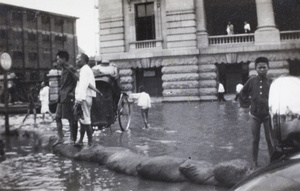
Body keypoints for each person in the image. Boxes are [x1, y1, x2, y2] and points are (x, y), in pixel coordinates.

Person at [239, 57, 273, 168]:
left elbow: (277, 96)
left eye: (264, 67)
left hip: (268, 116)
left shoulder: (271, 82)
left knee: (270, 139)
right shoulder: (252, 81)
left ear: (268, 68)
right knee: (255, 139)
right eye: (259, 67)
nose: (262, 69)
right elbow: (242, 93)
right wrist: (248, 104)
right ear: (256, 69)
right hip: (255, 116)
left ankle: (273, 161)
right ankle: (254, 162)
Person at [54, 50, 78, 146]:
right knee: (57, 117)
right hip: (61, 97)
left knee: (70, 118)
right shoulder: (63, 69)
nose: (57, 62)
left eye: (58, 59)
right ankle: (60, 138)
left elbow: (78, 79)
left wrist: (72, 92)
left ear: (64, 59)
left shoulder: (70, 68)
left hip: (67, 97)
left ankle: (73, 138)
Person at [74, 53, 96, 146]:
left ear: (83, 60)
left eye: (78, 59)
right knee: (82, 119)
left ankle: (90, 141)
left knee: (86, 119)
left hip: (84, 96)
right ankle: (81, 140)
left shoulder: (85, 70)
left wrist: (79, 99)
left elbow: (83, 85)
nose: (76, 61)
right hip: (85, 96)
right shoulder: (85, 69)